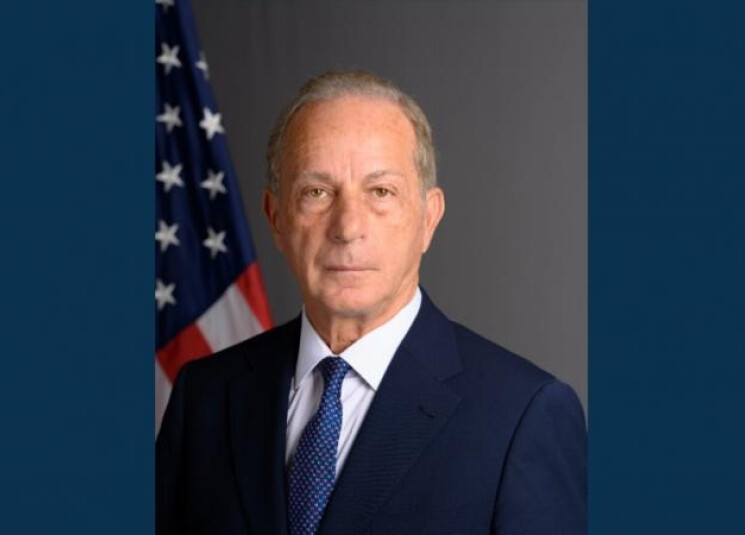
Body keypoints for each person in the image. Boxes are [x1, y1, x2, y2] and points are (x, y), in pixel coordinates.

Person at [156, 70, 586, 535]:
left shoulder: (522, 416)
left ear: (428, 217)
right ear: (276, 218)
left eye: (381, 192)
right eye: (317, 193)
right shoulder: (203, 396)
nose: (347, 227)